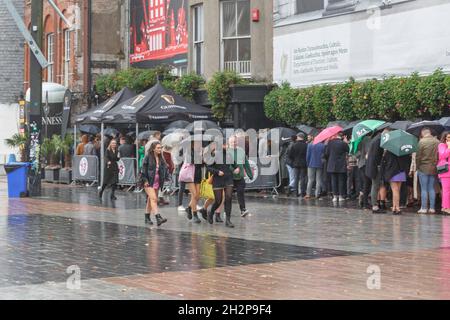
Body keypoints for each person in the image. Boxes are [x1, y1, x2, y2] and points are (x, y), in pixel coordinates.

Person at [207, 141, 235, 228]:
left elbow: (234, 164)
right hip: (218, 179)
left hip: (228, 178)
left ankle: (228, 220)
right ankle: (211, 213)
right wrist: (217, 172)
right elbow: (208, 167)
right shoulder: (214, 154)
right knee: (218, 201)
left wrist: (236, 168)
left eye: (227, 144)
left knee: (228, 198)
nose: (226, 146)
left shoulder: (229, 154)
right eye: (225, 144)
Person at [141, 141, 169, 226]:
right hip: (148, 181)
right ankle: (158, 217)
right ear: (153, 149)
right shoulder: (148, 157)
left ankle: (147, 217)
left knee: (150, 200)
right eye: (158, 148)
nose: (160, 149)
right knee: (154, 199)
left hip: (157, 182)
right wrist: (145, 180)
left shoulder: (161, 158)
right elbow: (143, 169)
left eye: (161, 148)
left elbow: (164, 169)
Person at [416, 128, 440, 214]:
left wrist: (417, 166)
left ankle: (424, 208)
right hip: (434, 168)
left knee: (424, 189)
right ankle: (432, 208)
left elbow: (418, 156)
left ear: (423, 133)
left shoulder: (421, 142)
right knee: (431, 188)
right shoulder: (437, 141)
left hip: (423, 167)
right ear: (430, 133)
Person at [229, 135, 253, 217]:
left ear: (237, 142)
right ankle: (226, 210)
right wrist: (233, 170)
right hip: (230, 177)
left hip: (240, 176)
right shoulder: (227, 151)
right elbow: (226, 164)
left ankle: (243, 210)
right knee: (228, 195)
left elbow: (245, 163)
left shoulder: (241, 151)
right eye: (232, 142)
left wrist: (250, 174)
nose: (234, 143)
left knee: (240, 192)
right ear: (229, 143)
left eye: (235, 141)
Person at [381, 150, 411, 215]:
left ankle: (396, 208)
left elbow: (384, 162)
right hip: (401, 172)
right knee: (397, 190)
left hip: (392, 172)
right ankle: (395, 207)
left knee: (395, 190)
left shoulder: (389, 151)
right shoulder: (404, 151)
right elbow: (407, 161)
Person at [366, 130, 388, 214]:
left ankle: (375, 205)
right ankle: (374, 206)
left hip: (373, 167)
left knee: (376, 185)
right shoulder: (378, 141)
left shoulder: (375, 139)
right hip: (375, 167)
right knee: (375, 186)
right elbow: (376, 156)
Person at [324, 132, 349, 202]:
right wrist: (346, 142)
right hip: (341, 164)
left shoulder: (330, 143)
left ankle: (335, 196)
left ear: (336, 135)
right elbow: (349, 150)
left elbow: (326, 153)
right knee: (341, 180)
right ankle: (341, 196)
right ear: (342, 136)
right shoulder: (343, 143)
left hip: (331, 164)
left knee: (333, 180)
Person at [183, 139, 204, 224]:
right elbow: (192, 162)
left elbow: (202, 165)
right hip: (190, 176)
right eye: (197, 143)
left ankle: (189, 208)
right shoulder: (189, 152)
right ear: (192, 144)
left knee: (198, 196)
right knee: (194, 195)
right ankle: (195, 215)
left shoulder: (198, 152)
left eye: (200, 143)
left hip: (198, 175)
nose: (199, 144)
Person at [288, 133, 308, 197]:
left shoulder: (294, 145)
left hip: (295, 163)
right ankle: (302, 192)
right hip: (303, 163)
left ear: (298, 137)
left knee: (296, 178)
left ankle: (296, 192)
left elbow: (290, 155)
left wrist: (294, 160)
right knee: (302, 178)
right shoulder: (306, 145)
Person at [356, 135, 372, 209]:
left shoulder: (359, 141)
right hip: (366, 164)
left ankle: (362, 196)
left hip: (360, 164)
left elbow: (356, 154)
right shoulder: (367, 139)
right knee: (367, 183)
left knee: (365, 183)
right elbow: (368, 153)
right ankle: (365, 202)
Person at [438, 132, 450, 215]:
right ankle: (446, 208)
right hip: (445, 171)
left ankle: (444, 206)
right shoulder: (441, 145)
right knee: (446, 190)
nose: (449, 139)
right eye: (448, 137)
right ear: (445, 138)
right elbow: (442, 156)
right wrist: (449, 147)